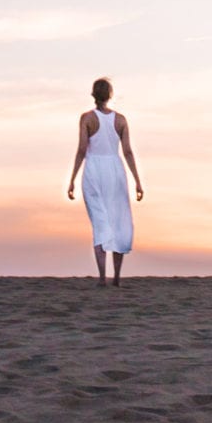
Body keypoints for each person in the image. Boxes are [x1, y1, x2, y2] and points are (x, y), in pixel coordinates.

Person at [67, 77, 143, 284]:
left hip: (94, 170)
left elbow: (82, 149)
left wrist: (72, 178)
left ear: (93, 95)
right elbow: (127, 151)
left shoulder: (87, 119)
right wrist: (137, 180)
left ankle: (102, 277)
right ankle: (116, 277)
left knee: (100, 223)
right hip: (115, 171)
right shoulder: (120, 120)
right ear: (110, 95)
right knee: (118, 221)